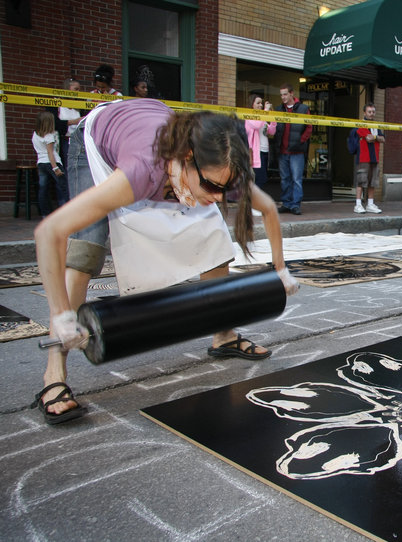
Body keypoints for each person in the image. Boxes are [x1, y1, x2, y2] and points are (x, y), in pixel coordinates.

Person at [31, 98, 299, 425]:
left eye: (225, 188)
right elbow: (49, 232)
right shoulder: (141, 170)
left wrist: (281, 269)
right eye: (213, 186)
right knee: (87, 246)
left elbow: (269, 208)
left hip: (152, 139)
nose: (219, 195)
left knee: (211, 234)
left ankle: (223, 334)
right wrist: (61, 315)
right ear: (186, 159)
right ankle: (54, 373)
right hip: (96, 144)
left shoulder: (220, 165)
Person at [274, 84, 312, 215]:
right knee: (285, 179)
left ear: (291, 94)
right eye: (281, 95)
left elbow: (309, 128)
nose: (283, 97)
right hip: (282, 151)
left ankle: (295, 205)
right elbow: (275, 127)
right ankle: (286, 203)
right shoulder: (279, 109)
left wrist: (300, 141)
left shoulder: (303, 109)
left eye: (285, 94)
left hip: (297, 151)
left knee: (296, 179)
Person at [32, 111, 69, 216]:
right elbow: (50, 153)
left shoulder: (35, 134)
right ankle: (69, 212)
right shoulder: (49, 136)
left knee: (43, 189)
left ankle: (45, 214)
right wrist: (55, 168)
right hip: (52, 163)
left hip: (41, 163)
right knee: (64, 187)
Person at [353, 102, 384, 214]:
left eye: (373, 112)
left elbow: (383, 139)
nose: (372, 114)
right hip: (363, 157)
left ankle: (370, 204)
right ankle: (358, 204)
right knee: (361, 181)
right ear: (364, 112)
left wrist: (375, 137)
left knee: (373, 182)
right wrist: (377, 137)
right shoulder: (361, 124)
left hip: (375, 157)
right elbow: (368, 138)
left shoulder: (376, 125)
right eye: (369, 112)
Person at [244, 93, 277, 193]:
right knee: (260, 179)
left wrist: (272, 115)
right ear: (252, 104)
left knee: (260, 179)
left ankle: (252, 201)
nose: (261, 105)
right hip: (255, 153)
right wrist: (265, 112)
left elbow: (271, 131)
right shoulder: (249, 117)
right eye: (258, 103)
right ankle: (252, 200)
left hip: (264, 151)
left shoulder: (262, 118)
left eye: (261, 103)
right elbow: (257, 125)